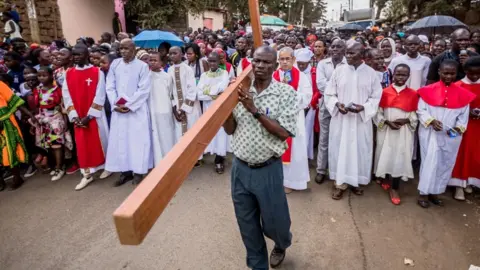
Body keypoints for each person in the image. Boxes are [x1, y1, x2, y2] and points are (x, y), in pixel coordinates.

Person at [223, 45, 296, 270]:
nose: (260, 66)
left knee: (276, 225)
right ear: (251, 63)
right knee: (247, 224)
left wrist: (254, 110)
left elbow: (284, 132)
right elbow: (230, 129)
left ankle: (281, 243)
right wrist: (225, 106)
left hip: (268, 170)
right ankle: (258, 265)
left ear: (275, 66)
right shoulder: (240, 90)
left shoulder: (285, 93)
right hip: (240, 169)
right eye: (257, 61)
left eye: (266, 62)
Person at [325, 41, 383, 200]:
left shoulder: (371, 73)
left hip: (360, 121)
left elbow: (376, 97)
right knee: (340, 150)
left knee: (360, 150)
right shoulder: (339, 71)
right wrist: (337, 104)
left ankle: (356, 181)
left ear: (362, 55)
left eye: (352, 53)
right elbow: (329, 93)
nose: (347, 56)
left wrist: (363, 107)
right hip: (341, 120)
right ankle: (340, 183)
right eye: (347, 53)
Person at [416, 60, 475, 208]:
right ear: (439, 72)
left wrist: (458, 129)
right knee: (429, 162)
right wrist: (430, 121)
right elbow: (421, 110)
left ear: (456, 74)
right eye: (445, 73)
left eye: (452, 73)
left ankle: (435, 192)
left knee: (444, 163)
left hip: (450, 136)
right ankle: (423, 193)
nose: (448, 76)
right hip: (430, 132)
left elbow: (463, 116)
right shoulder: (428, 90)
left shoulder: (463, 95)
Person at [62, 44, 111, 190]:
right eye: (74, 55)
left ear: (86, 55)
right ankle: (87, 174)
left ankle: (107, 166)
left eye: (79, 55)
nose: (76, 58)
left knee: (101, 139)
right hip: (78, 114)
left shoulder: (97, 72)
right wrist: (74, 116)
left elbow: (100, 94)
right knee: (83, 144)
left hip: (94, 115)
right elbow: (66, 95)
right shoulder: (69, 73)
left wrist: (89, 116)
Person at [105, 39, 153, 186]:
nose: (123, 51)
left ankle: (138, 172)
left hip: (136, 111)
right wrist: (115, 103)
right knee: (121, 142)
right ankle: (125, 172)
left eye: (126, 49)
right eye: (121, 49)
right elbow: (110, 86)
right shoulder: (115, 64)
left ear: (134, 50)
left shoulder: (142, 66)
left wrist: (130, 105)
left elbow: (144, 89)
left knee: (137, 142)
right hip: (118, 111)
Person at [374, 64, 419, 205]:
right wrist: (386, 122)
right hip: (387, 130)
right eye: (398, 74)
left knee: (399, 156)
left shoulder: (413, 94)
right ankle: (385, 178)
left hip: (403, 131)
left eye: (404, 75)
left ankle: (395, 188)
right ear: (393, 75)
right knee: (386, 154)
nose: (400, 77)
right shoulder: (384, 92)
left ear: (408, 76)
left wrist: (406, 120)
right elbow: (378, 112)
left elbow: (415, 114)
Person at [273, 47, 312, 193]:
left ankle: (292, 181)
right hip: (277, 119)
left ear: (293, 60)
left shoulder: (301, 76)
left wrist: (289, 93)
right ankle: (278, 180)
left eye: (287, 59)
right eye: (281, 59)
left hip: (295, 119)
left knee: (294, 149)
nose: (284, 62)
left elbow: (307, 97)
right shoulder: (274, 76)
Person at [314, 39, 347, 184]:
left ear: (344, 49)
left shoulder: (348, 64)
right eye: (333, 47)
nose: (335, 49)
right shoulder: (322, 64)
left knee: (341, 139)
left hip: (343, 106)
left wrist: (335, 91)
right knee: (324, 138)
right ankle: (321, 169)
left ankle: (338, 170)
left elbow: (348, 86)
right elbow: (321, 85)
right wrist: (336, 91)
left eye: (339, 47)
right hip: (326, 106)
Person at [32, 67, 73, 181]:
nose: (41, 78)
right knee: (49, 144)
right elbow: (37, 105)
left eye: (44, 75)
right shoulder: (38, 89)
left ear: (51, 76)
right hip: (43, 120)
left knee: (57, 144)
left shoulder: (57, 89)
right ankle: (57, 165)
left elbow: (61, 105)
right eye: (39, 75)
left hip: (56, 119)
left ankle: (59, 167)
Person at [449, 56, 480, 200]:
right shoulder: (458, 86)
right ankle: (458, 185)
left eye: (478, 74)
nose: (474, 76)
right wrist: (468, 112)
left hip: (477, 127)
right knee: (460, 154)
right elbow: (452, 108)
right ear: (465, 71)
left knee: (474, 155)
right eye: (471, 73)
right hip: (461, 126)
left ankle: (470, 181)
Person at [0, 78, 38, 191]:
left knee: (10, 150)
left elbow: (15, 101)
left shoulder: (1, 85)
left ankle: (17, 177)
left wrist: (29, 114)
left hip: (6, 123)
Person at [167, 46, 203, 166]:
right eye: (170, 54)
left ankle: (194, 158)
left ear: (181, 54)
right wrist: (174, 109)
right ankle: (182, 158)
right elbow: (170, 92)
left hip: (190, 108)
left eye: (175, 53)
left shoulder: (187, 69)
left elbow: (192, 90)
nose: (172, 56)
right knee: (179, 133)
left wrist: (184, 109)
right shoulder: (169, 70)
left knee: (191, 131)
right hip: (177, 107)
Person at [197, 52, 230, 173]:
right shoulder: (204, 75)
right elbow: (199, 94)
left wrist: (208, 92)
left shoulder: (224, 73)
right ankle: (213, 154)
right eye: (210, 61)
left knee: (221, 132)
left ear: (219, 61)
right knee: (212, 132)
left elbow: (223, 88)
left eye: (214, 61)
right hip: (208, 108)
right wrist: (215, 94)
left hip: (221, 108)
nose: (212, 63)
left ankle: (219, 159)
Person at [148, 52, 176, 166]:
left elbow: (171, 94)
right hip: (151, 110)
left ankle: (168, 160)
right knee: (154, 136)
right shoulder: (146, 76)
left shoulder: (167, 77)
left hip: (164, 110)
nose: (152, 62)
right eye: (150, 60)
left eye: (155, 60)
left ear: (161, 62)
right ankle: (156, 161)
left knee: (166, 136)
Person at [296, 48, 320, 160]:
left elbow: (317, 89)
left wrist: (311, 102)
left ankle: (305, 154)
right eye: (299, 64)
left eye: (303, 64)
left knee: (307, 130)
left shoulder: (314, 72)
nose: (301, 66)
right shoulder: (295, 72)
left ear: (308, 63)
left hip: (311, 106)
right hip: (298, 106)